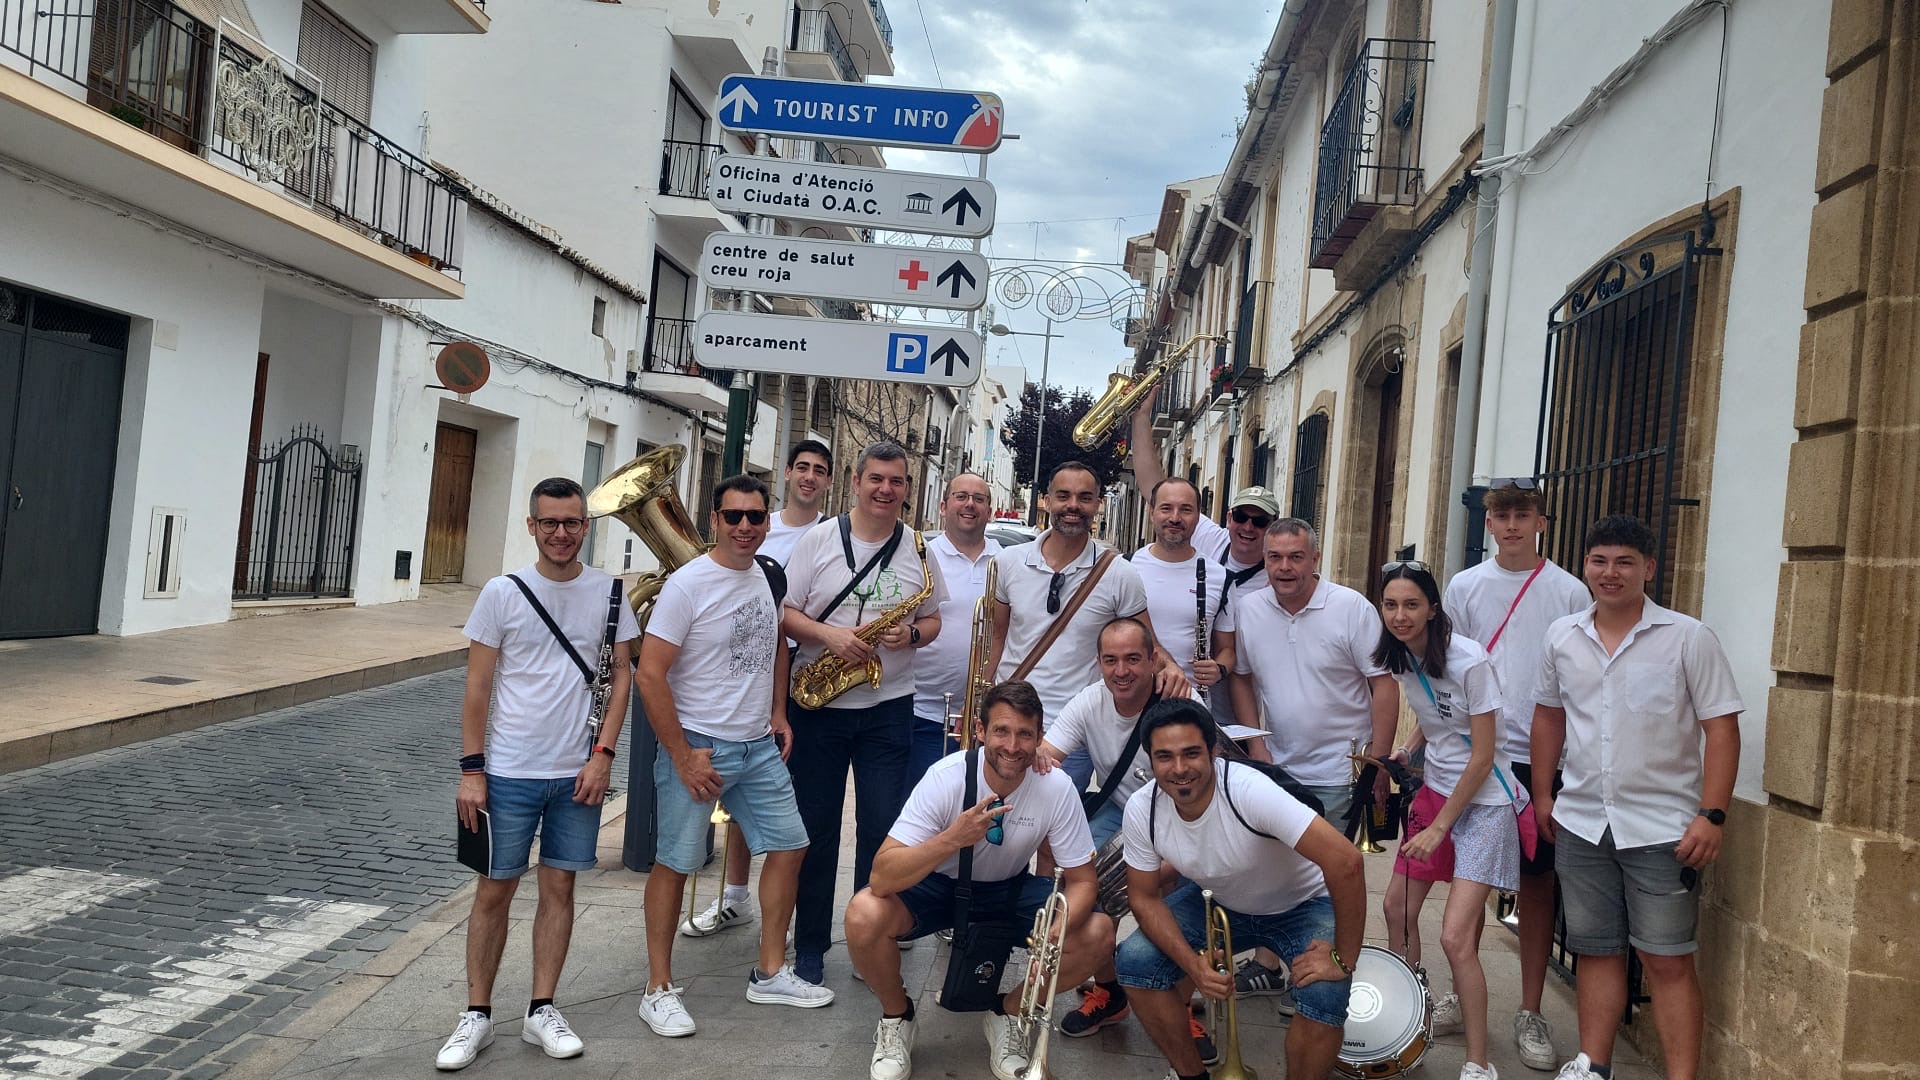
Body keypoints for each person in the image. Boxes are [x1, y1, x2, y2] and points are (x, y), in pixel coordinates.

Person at [437, 478, 640, 1071]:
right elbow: (478, 687)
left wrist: (604, 755)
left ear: (585, 526)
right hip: (507, 771)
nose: (560, 532)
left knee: (559, 890)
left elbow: (621, 676)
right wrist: (471, 771)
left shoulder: (608, 593)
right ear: (532, 526)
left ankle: (541, 1009)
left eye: (571, 523)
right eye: (549, 522)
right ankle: (476, 1014)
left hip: (578, 773)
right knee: (494, 891)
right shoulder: (502, 592)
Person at [1531, 515, 1742, 1080]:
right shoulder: (1562, 637)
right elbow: (1549, 717)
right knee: (1596, 951)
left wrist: (1712, 814)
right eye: (1599, 561)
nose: (1610, 572)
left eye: (1625, 561)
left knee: (1666, 959)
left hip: (1662, 830)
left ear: (1648, 568)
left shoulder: (1688, 637)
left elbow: (1721, 728)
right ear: (1586, 567)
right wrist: (1543, 794)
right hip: (1581, 821)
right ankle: (1594, 1065)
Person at [634, 475, 832, 1038]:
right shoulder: (686, 586)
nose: (745, 527)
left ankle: (769, 971)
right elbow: (650, 674)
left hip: (756, 744)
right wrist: (683, 755)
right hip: (702, 745)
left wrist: (777, 713)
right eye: (733, 517)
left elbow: (774, 646)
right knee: (675, 863)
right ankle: (658, 988)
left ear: (767, 521)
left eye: (754, 517)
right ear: (714, 521)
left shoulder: (769, 576)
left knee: (791, 846)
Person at [844, 681, 1116, 1080]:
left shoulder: (1055, 786)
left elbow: (1082, 881)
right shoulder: (946, 777)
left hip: (1008, 887)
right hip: (938, 886)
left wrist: (1060, 928)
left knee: (1099, 931)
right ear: (979, 731)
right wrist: (952, 839)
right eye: (1002, 731)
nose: (1013, 745)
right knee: (863, 912)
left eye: (1026, 734)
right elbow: (881, 876)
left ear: (1041, 737)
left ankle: (1008, 1013)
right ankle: (897, 1016)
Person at [1116, 699, 1366, 1080]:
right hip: (1221, 899)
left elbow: (1346, 862)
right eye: (1164, 756)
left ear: (1213, 751)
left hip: (1303, 904)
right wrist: (1192, 966)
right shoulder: (1141, 808)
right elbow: (1144, 897)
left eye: (1191, 753)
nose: (1179, 769)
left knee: (1324, 996)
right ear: (1149, 759)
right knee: (1134, 961)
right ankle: (1191, 1074)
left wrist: (1343, 958)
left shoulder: (1249, 791)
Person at [781, 442, 947, 985]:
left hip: (887, 708)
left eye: (897, 482)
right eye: (877, 479)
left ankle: (869, 936)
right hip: (818, 707)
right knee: (816, 829)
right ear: (855, 482)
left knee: (881, 831)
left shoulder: (919, 550)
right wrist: (830, 635)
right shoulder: (820, 539)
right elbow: (784, 612)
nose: (886, 490)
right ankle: (809, 945)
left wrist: (911, 634)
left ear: (907, 488)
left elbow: (933, 620)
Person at [1442, 478, 1591, 1067]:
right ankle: (1459, 988)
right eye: (1500, 515)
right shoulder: (1464, 586)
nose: (1510, 525)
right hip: (1474, 751)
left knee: (1536, 885)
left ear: (1541, 522)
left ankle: (1530, 1009)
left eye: (1521, 514)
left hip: (1538, 757)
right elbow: (1447, 664)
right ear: (1487, 523)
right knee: (1468, 884)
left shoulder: (1570, 590)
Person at [1225, 518, 1397, 999]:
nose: (1284, 567)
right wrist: (1256, 745)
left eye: (1296, 557)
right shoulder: (1250, 607)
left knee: (1325, 878)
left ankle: (1315, 973)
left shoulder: (1351, 608)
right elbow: (1240, 676)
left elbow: (1383, 684)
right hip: (1277, 767)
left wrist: (1377, 762)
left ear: (1315, 559)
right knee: (1277, 869)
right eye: (1275, 557)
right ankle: (1270, 964)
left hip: (1340, 771)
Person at [1376, 561, 1524, 1080]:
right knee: (1396, 909)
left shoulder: (1469, 661)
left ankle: (1478, 1065)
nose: (1400, 615)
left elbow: (1483, 755)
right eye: (1391, 604)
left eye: (1412, 604)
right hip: (1435, 792)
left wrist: (1440, 826)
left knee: (1456, 938)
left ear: (1433, 609)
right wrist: (1408, 747)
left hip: (1483, 805)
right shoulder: (1398, 657)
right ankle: (1404, 1022)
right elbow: (1438, 719)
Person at [683, 439, 832, 941]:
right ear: (788, 474)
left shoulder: (833, 536)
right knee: (739, 802)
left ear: (831, 481)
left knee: (791, 801)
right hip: (740, 681)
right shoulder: (758, 533)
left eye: (820, 471)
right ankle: (735, 895)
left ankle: (782, 913)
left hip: (801, 677)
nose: (810, 477)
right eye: (803, 468)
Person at [1040, 616, 1203, 1040]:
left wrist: (1168, 859)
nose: (1122, 671)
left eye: (1133, 658)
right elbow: (1046, 757)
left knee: (1183, 899)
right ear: (1098, 663)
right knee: (1083, 885)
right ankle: (1110, 993)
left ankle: (1183, 1007)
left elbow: (1213, 786)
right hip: (1122, 810)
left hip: (1186, 818)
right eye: (1111, 660)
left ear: (1154, 660)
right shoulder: (1089, 701)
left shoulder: (1184, 704)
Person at [988, 460, 1189, 790]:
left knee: (1052, 832)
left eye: (1084, 497)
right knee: (997, 826)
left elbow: (1146, 641)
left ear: (1097, 504)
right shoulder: (1008, 563)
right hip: (1009, 721)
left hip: (1075, 733)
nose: (1072, 506)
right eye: (1063, 495)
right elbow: (996, 638)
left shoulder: (1119, 574)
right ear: (1048, 499)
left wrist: (1170, 667)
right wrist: (980, 703)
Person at [1126, 392, 1276, 730]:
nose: (1248, 527)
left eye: (1260, 521)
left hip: (1226, 703)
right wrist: (1140, 419)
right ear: (1227, 518)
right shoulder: (1211, 540)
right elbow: (1154, 484)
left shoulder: (1278, 575)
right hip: (1154, 697)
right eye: (1241, 517)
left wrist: (1221, 667)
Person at [909, 472, 1002, 783]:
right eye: (961, 497)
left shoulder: (1006, 561)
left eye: (979, 499)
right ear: (943, 506)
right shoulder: (921, 558)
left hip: (984, 716)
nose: (970, 505)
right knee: (920, 810)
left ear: (990, 510)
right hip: (922, 712)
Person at [1130, 478, 1238, 697]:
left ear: (1198, 516)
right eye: (1166, 508)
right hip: (1132, 699)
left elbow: (1227, 649)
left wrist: (1219, 669)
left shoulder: (1220, 576)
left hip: (1190, 705)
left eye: (1186, 510)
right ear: (1151, 512)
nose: (1175, 518)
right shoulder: (1125, 567)